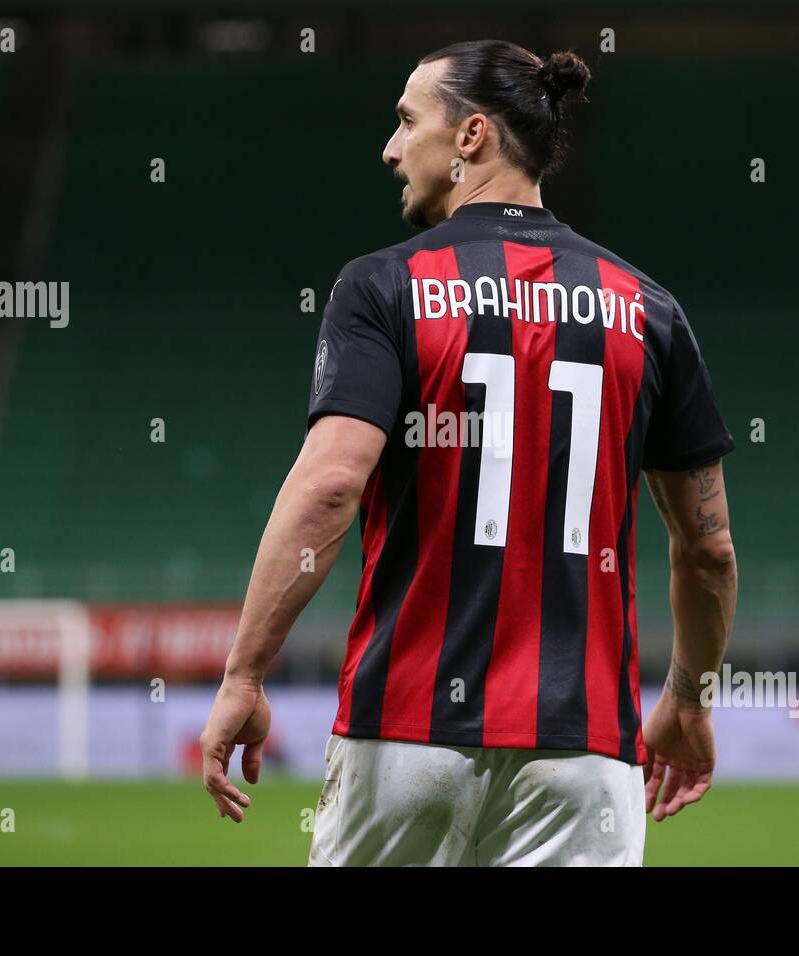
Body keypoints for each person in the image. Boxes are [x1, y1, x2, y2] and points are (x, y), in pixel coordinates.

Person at [201, 39, 738, 866]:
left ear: (471, 137)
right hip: (587, 751)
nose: (390, 148)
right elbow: (707, 550)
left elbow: (331, 486)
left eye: (407, 120)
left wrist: (245, 672)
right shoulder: (649, 310)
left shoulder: (384, 286)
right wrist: (691, 697)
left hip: (407, 733)